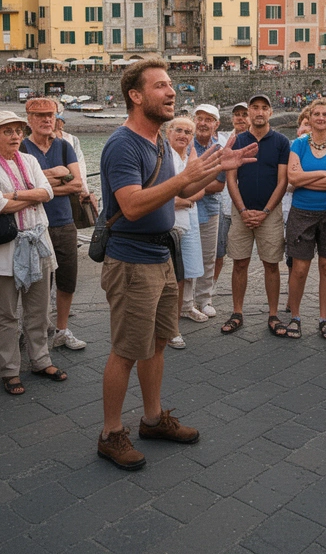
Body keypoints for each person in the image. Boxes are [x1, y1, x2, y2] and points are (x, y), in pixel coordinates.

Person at [96, 58, 256, 470]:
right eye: (161, 86)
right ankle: (110, 434)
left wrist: (216, 169)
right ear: (136, 95)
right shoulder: (123, 143)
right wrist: (188, 176)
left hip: (160, 255)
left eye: (171, 85)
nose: (172, 92)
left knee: (158, 342)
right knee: (126, 351)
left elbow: (178, 189)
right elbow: (131, 205)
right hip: (131, 260)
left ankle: (152, 419)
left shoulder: (159, 143)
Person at [0, 111, 67, 395]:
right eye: (7, 131)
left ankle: (40, 360)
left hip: (37, 242)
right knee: (6, 314)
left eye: (18, 131)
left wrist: (14, 195)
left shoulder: (29, 160)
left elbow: (48, 193)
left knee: (38, 310)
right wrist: (28, 195)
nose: (15, 136)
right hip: (6, 246)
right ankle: (10, 370)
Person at [21, 98, 87, 351]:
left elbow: (77, 184)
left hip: (64, 222)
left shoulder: (64, 146)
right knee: (37, 283)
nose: (47, 120)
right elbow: (23, 186)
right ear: (29, 120)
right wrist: (56, 175)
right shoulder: (22, 149)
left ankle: (61, 329)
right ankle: (35, 331)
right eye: (40, 116)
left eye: (50, 114)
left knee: (67, 279)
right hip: (34, 225)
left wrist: (40, 185)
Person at [222, 94, 290, 336]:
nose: (259, 112)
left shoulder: (281, 142)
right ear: (248, 113)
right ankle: (237, 311)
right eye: (255, 108)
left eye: (264, 108)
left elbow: (283, 181)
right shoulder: (237, 141)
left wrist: (265, 212)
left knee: (271, 264)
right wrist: (242, 210)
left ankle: (273, 314)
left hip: (269, 213)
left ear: (270, 112)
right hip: (241, 210)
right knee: (239, 263)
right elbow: (231, 179)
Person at [283, 97, 326, 341]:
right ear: (308, 118)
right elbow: (293, 179)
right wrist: (323, 173)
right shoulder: (298, 144)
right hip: (302, 212)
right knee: (299, 268)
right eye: (316, 114)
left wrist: (306, 177)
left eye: (325, 114)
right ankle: (296, 316)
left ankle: (323, 318)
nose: (321, 118)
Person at [166, 117, 208, 347]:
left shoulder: (186, 158)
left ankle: (175, 322)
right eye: (179, 130)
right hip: (166, 225)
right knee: (169, 279)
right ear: (168, 131)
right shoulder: (162, 156)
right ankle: (168, 326)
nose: (183, 135)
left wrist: (184, 200)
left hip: (184, 223)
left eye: (188, 132)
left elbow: (199, 190)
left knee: (181, 275)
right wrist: (182, 201)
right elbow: (158, 194)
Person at [188, 104, 226, 318]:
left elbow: (220, 185)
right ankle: (185, 303)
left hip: (210, 208)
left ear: (216, 124)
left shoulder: (220, 150)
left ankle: (204, 299)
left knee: (208, 257)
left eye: (208, 119)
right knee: (185, 255)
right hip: (185, 209)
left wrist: (190, 185)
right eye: (199, 118)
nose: (203, 123)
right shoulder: (184, 143)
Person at [213, 103, 250, 288]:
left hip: (247, 206)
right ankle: (209, 291)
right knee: (217, 253)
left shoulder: (256, 142)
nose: (240, 118)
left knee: (241, 257)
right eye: (237, 115)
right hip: (224, 205)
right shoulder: (221, 141)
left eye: (245, 114)